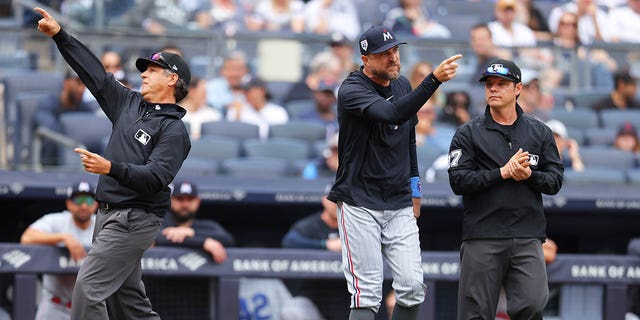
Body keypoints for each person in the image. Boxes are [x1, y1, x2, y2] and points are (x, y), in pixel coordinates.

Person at [35, 7, 192, 319]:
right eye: (144, 69)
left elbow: (157, 176)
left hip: (135, 217)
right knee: (129, 305)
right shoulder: (128, 104)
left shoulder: (174, 129)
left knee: (88, 290)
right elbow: (94, 74)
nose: (143, 73)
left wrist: (111, 168)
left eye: (152, 70)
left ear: (172, 78)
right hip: (107, 215)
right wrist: (61, 36)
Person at [327, 25, 461, 320]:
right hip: (359, 200)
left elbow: (408, 137)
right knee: (367, 294)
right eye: (383, 54)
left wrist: (415, 187)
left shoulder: (401, 86)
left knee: (413, 288)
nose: (392, 58)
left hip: (399, 199)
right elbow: (391, 114)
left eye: (394, 51)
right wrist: (433, 80)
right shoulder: (352, 89)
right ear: (365, 59)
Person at [448, 58, 564, 320]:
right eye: (489, 84)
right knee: (474, 314)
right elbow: (459, 181)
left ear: (518, 88)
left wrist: (528, 176)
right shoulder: (468, 133)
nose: (493, 89)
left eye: (501, 84)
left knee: (532, 306)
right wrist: (502, 173)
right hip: (483, 235)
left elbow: (555, 181)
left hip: (527, 234)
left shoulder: (540, 132)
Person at [20, 181, 98, 320]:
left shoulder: (103, 224)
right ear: (69, 203)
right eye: (78, 199)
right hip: (55, 306)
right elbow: (27, 238)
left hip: (90, 306)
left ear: (96, 203)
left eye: (88, 199)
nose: (84, 205)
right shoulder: (57, 221)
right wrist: (63, 237)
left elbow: (145, 244)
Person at [155, 181, 234, 263]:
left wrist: (193, 232)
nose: (185, 205)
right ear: (170, 200)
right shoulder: (159, 221)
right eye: (180, 199)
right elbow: (157, 238)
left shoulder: (208, 226)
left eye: (190, 199)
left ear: (197, 202)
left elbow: (228, 239)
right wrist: (204, 242)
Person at [34, 69, 99, 166]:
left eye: (85, 84)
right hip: (52, 166)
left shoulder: (86, 109)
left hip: (82, 165)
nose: (82, 88)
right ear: (66, 82)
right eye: (78, 82)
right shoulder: (47, 106)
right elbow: (51, 133)